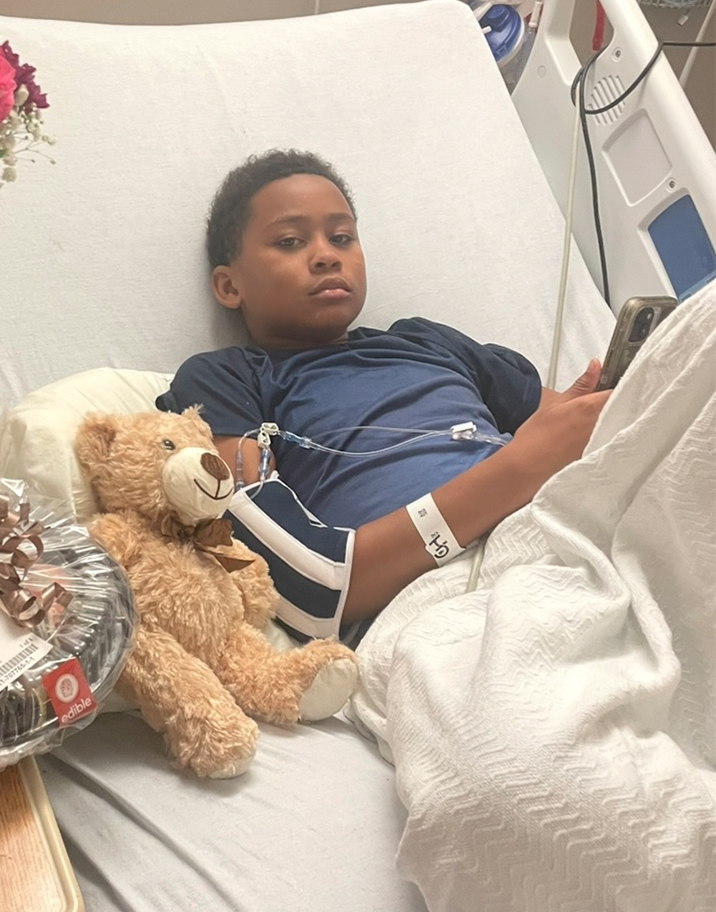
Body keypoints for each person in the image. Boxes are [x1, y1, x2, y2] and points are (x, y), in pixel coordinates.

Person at [156, 149, 610, 630]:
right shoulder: (226, 380)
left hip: (570, 531)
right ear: (229, 286)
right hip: (442, 602)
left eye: (342, 237)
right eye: (290, 241)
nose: (327, 255)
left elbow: (574, 429)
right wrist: (520, 468)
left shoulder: (426, 341)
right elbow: (307, 586)